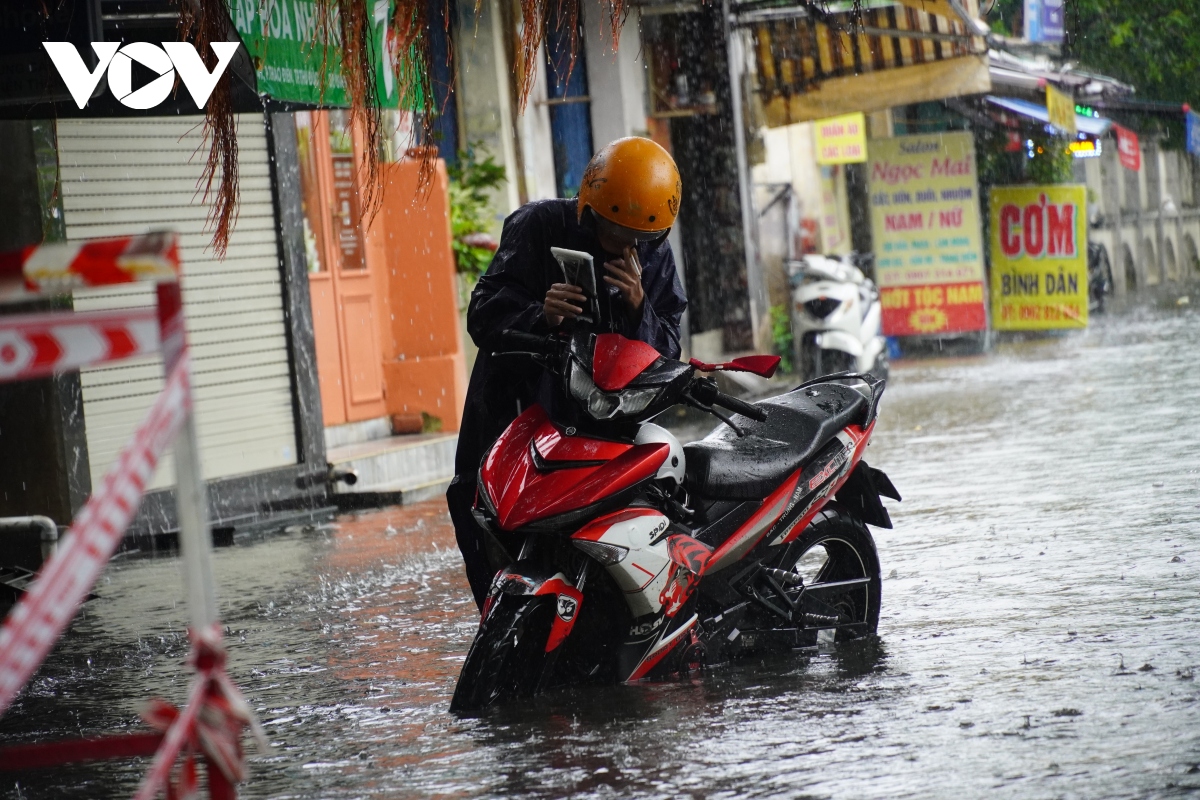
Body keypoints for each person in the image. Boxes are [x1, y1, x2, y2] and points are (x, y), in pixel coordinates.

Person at [446, 137, 688, 609]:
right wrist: (542, 314)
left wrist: (640, 308)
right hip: (509, 411)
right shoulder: (537, 225)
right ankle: (499, 623)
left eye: (635, 237)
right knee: (482, 514)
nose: (621, 244)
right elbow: (483, 314)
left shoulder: (654, 256)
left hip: (597, 422)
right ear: (588, 208)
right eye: (610, 229)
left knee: (590, 531)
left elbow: (669, 352)